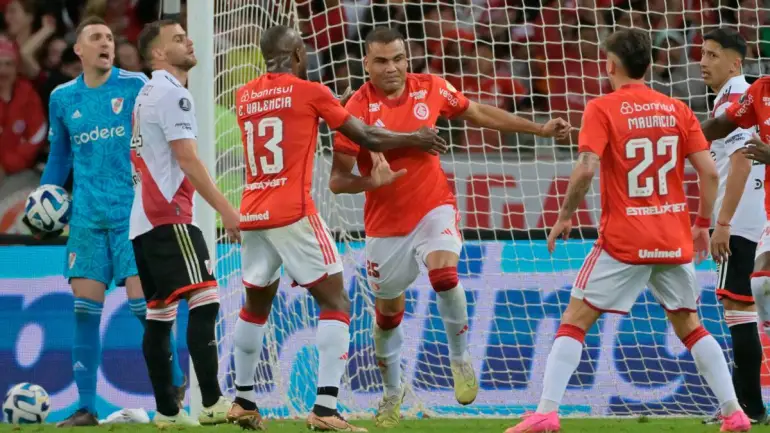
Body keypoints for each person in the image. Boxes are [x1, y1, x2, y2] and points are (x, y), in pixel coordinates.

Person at [507, 28, 751, 433]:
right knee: (690, 326)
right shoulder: (677, 108)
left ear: (610, 65)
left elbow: (586, 167)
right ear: (648, 66)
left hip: (624, 240)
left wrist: (565, 215)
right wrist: (702, 225)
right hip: (672, 237)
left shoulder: (601, 108)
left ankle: (546, 413)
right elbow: (709, 172)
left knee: (574, 320)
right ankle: (734, 413)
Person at [328, 27, 571, 428]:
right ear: (366, 63)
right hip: (385, 225)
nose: (392, 68)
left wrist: (539, 128)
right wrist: (372, 181)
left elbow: (480, 113)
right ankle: (391, 392)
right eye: (382, 61)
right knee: (387, 315)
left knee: (444, 275)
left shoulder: (432, 87)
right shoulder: (355, 109)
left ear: (407, 58)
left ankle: (459, 358)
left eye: (399, 58)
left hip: (433, 209)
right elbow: (338, 180)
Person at [227, 24, 447, 432]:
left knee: (254, 306)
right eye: (304, 50)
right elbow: (366, 135)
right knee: (336, 302)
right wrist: (415, 138)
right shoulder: (311, 91)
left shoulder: (245, 95)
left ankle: (242, 400)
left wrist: (331, 109)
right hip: (293, 212)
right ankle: (326, 409)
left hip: (253, 213)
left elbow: (288, 124)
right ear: (297, 55)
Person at [24, 16, 185, 427]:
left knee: (144, 307)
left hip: (133, 215)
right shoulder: (62, 98)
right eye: (96, 37)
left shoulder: (135, 86)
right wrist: (43, 199)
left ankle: (175, 386)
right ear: (78, 50)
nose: (106, 43)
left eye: (110, 38)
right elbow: (60, 157)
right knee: (84, 311)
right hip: (86, 219)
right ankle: (86, 408)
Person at [131, 19, 239, 426]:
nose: (189, 41)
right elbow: (187, 159)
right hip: (169, 215)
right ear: (158, 53)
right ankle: (210, 402)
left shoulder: (148, 93)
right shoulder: (173, 93)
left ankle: (167, 412)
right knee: (205, 299)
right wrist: (227, 209)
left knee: (160, 315)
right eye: (178, 39)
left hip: (143, 221)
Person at [699, 28, 767, 425]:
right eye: (702, 54)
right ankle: (744, 406)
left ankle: (748, 408)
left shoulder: (740, 95)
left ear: (735, 62)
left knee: (738, 308)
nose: (703, 62)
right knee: (741, 308)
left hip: (742, 219)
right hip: (747, 215)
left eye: (712, 55)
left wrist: (722, 223)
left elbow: (743, 158)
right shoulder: (731, 97)